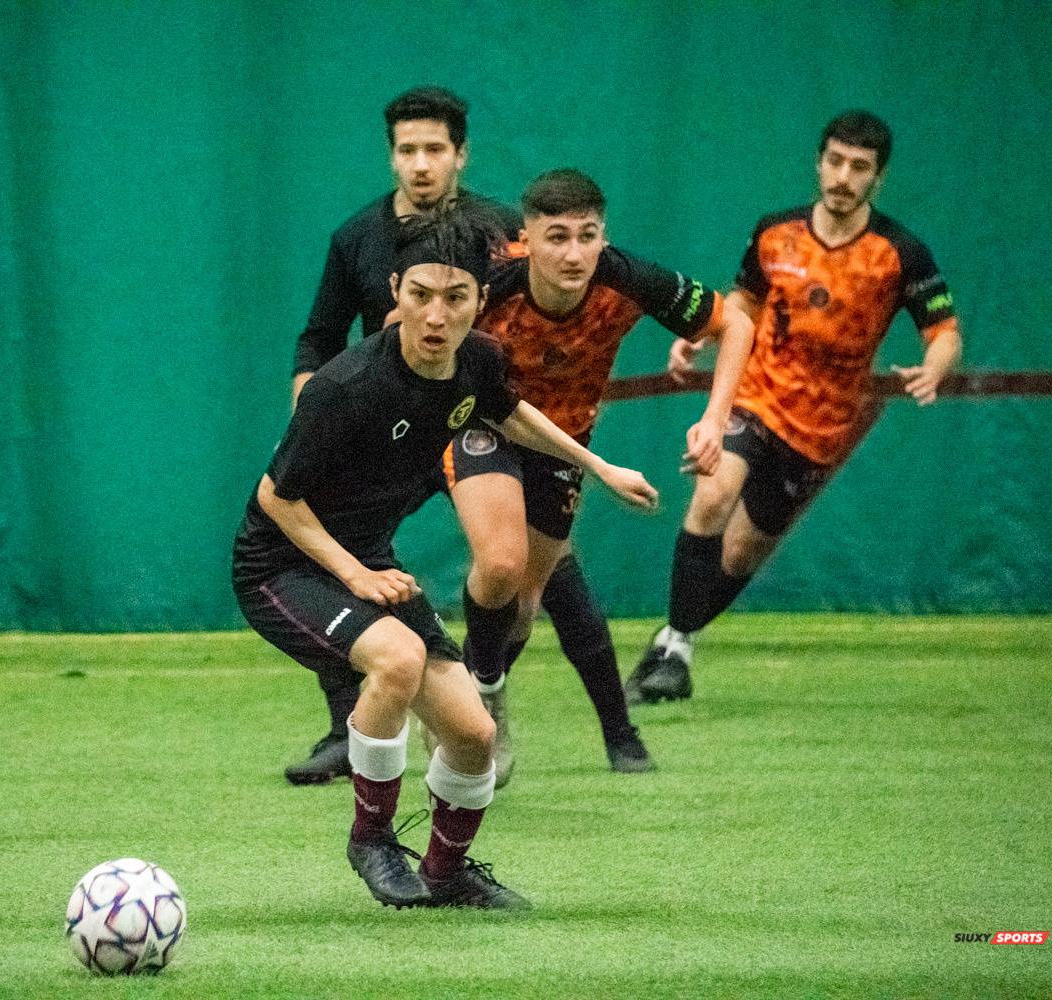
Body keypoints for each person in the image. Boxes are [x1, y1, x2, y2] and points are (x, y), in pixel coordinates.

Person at [234, 207, 656, 909]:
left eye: (455, 298)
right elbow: (276, 498)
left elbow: (507, 411)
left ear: (479, 302)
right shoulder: (347, 386)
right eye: (420, 295)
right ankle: (371, 840)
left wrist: (600, 467)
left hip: (368, 562)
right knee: (396, 660)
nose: (436, 315)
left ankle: (445, 872)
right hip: (282, 568)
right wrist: (356, 574)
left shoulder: (480, 359)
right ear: (396, 292)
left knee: (472, 733)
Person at [626, 111, 961, 703]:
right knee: (711, 494)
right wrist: (701, 334)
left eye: (859, 168)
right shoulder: (775, 232)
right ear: (818, 161)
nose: (842, 177)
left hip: (820, 430)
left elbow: (944, 330)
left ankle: (674, 638)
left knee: (741, 552)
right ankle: (675, 647)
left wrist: (934, 369)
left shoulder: (899, 252)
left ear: (878, 178)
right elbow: (744, 305)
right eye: (834, 161)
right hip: (754, 397)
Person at [434, 169, 754, 779]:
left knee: (525, 607)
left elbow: (735, 325)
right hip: (484, 424)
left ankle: (482, 684)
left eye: (588, 235)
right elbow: (410, 332)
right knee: (499, 564)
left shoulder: (627, 279)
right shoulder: (488, 284)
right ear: (526, 236)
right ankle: (470, 699)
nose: (574, 253)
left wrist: (716, 419)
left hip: (563, 447)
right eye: (556, 237)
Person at [284, 85, 522, 786]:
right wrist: (310, 411)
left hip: (475, 419)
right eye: (407, 150)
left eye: (435, 149)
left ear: (460, 155)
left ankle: (494, 696)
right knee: (337, 557)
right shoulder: (357, 237)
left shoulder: (500, 231)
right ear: (391, 156)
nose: (421, 164)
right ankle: (348, 723)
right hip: (385, 429)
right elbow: (318, 340)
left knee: (516, 562)